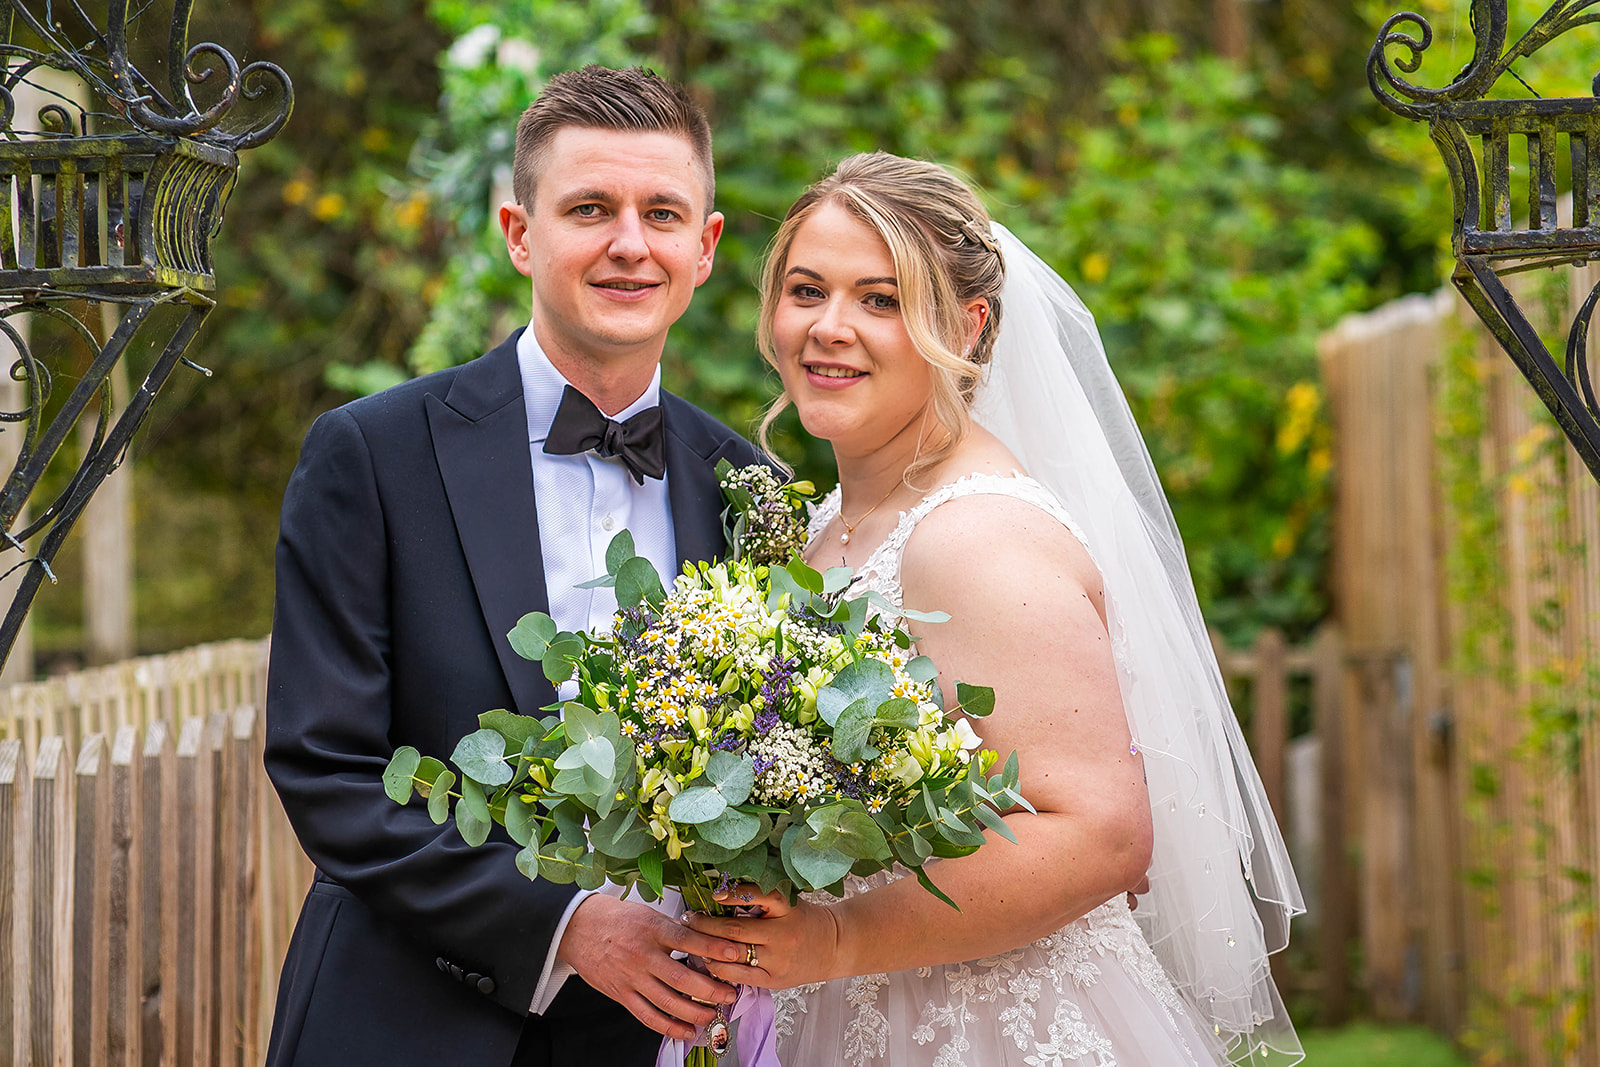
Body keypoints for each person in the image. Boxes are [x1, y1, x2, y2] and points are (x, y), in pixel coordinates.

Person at [685, 153, 1306, 1065]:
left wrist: (840, 938)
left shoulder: (975, 536)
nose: (828, 327)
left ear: (967, 326)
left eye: (882, 299)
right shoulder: (828, 525)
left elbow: (1100, 835)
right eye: (806, 290)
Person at [262, 66, 765, 1067]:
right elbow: (326, 767)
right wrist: (564, 925)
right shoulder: (372, 453)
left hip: (656, 1034)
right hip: (400, 1019)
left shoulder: (746, 486)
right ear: (520, 234)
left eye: (663, 213)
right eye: (590, 209)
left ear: (704, 248)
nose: (630, 243)